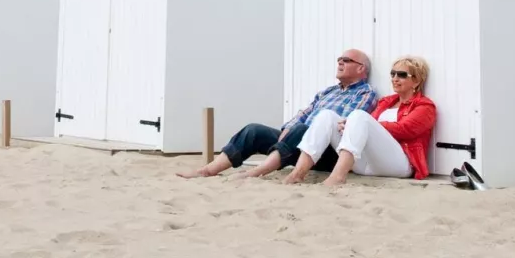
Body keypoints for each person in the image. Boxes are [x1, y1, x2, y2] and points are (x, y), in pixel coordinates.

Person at [176, 50, 377, 179]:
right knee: (254, 130)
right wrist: (287, 129)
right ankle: (208, 170)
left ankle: (257, 172)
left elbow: (345, 122)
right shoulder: (328, 92)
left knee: (303, 129)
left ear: (361, 68)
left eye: (346, 60)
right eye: (339, 59)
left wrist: (298, 130)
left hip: (325, 151)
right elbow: (303, 113)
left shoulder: (365, 92)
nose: (340, 62)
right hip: (296, 141)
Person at [284, 55, 436, 185]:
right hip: (367, 166)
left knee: (359, 116)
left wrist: (360, 123)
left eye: (402, 75)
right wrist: (348, 126)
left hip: (400, 165)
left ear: (416, 81)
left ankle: (337, 177)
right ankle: (297, 173)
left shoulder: (425, 106)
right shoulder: (385, 102)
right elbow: (366, 129)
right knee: (327, 116)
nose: (395, 78)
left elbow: (405, 129)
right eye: (393, 74)